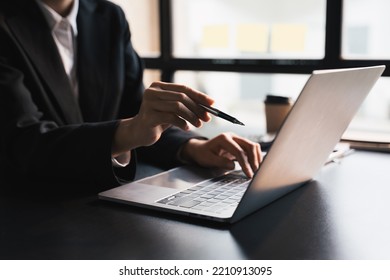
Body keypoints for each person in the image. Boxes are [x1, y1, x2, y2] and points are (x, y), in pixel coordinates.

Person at [0, 0, 261, 190]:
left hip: (101, 201)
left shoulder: (108, 17)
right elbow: (22, 142)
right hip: (30, 211)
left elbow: (137, 115)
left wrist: (192, 147)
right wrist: (129, 131)